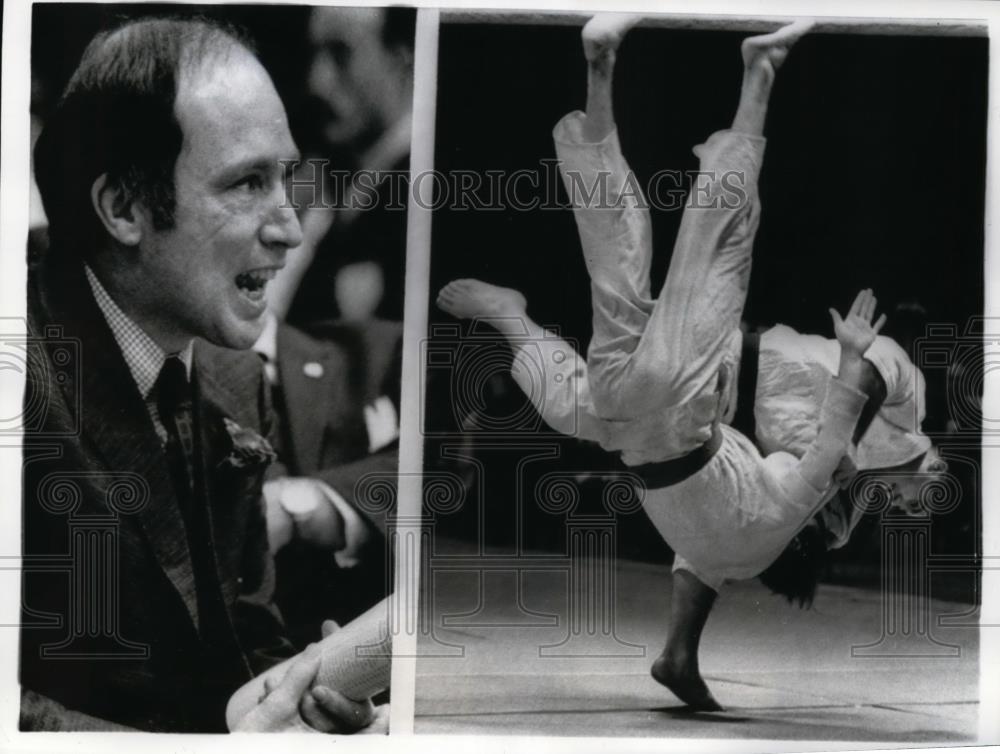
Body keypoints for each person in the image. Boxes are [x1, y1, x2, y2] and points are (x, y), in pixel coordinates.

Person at [437, 14, 921, 713]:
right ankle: (597, 79)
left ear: (802, 535)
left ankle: (760, 71)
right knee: (611, 261)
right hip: (620, 424)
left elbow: (831, 446)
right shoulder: (724, 555)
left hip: (673, 396)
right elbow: (734, 540)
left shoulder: (774, 521)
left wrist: (851, 357)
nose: (777, 454)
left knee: (718, 235)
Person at [23, 17, 379, 732]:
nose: (290, 227)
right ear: (123, 207)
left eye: (286, 176)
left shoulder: (231, 371)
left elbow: (242, 639)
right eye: (248, 183)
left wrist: (306, 697)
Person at [271, 5, 415, 324]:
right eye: (315, 54)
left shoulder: (421, 198)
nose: (316, 82)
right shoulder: (324, 182)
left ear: (401, 60)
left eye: (341, 53)